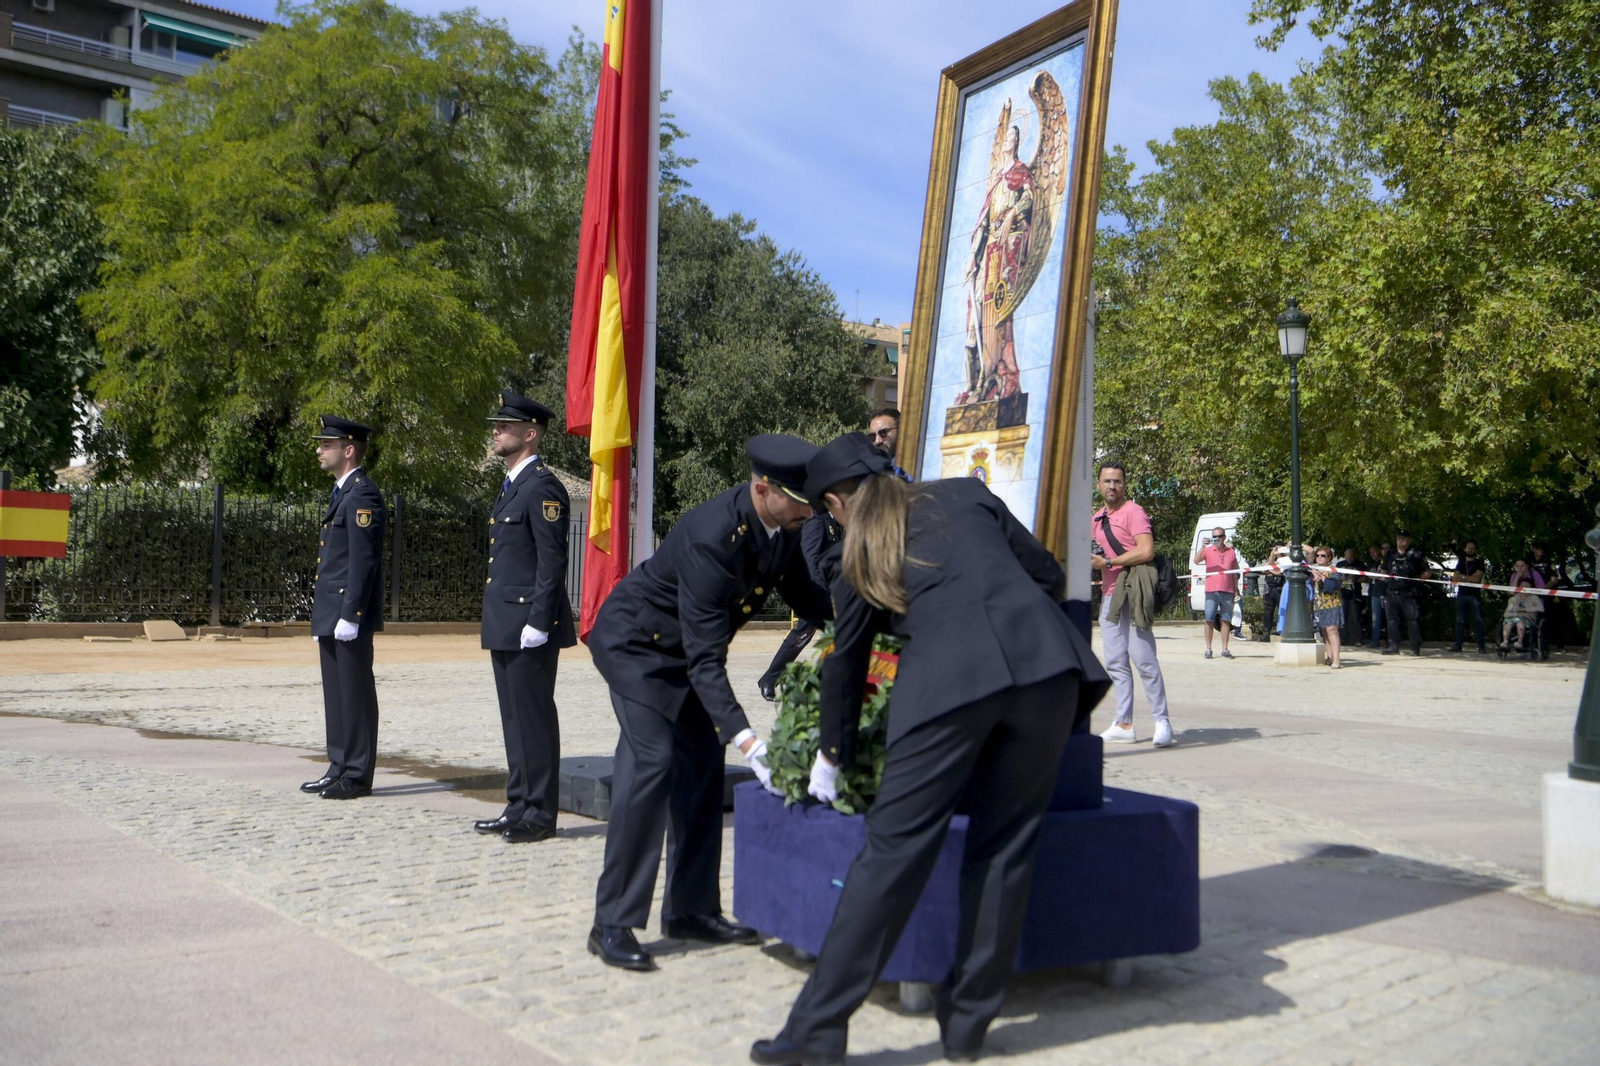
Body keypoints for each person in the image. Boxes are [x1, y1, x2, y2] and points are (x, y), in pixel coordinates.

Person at [750, 433, 1110, 1066]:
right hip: (1047, 673)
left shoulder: (861, 552)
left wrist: (831, 753)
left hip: (948, 689)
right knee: (1003, 850)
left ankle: (816, 1034)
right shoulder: (966, 494)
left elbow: (847, 664)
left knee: (890, 858)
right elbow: (1049, 575)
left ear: (836, 502)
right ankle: (968, 1026)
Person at [586, 435, 833, 972]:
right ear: (763, 489)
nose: (808, 511)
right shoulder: (712, 535)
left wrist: (869, 617)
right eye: (799, 500)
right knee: (651, 763)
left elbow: (809, 597)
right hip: (638, 649)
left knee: (700, 766)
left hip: (685, 654)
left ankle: (692, 911)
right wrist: (748, 740)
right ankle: (612, 922)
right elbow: (704, 661)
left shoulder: (781, 527)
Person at [474, 392, 574, 843]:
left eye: (505, 426)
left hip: (529, 624)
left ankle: (539, 813)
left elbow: (552, 563)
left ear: (530, 434)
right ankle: (518, 804)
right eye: (497, 425)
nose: (496, 432)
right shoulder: (513, 484)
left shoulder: (543, 487)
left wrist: (539, 620)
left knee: (533, 719)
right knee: (513, 719)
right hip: (505, 621)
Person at [302, 416, 386, 800]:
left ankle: (356, 773)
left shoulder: (362, 495)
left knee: (354, 694)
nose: (319, 450)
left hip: (346, 614)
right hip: (330, 610)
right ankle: (339, 765)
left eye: (326, 444)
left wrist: (351, 615)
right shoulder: (342, 493)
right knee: (336, 695)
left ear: (348, 450)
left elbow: (363, 562)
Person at [1091, 462, 1172, 747]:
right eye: (1107, 481)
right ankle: (1124, 723)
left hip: (1135, 592)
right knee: (1114, 660)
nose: (1112, 486)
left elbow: (1146, 549)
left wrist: (1109, 561)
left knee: (1143, 658)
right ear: (1098, 484)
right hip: (1111, 595)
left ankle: (1161, 721)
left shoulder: (1134, 512)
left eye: (1117, 481)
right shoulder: (1097, 518)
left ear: (1125, 485)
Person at [756, 512, 842, 701]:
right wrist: (821, 595)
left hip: (831, 593)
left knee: (835, 635)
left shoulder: (831, 522)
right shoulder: (816, 520)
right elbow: (811, 559)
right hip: (817, 595)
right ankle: (770, 680)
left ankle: (770, 680)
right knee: (804, 635)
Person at [1192, 525, 1238, 659]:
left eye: (1219, 536)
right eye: (1214, 536)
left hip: (1228, 590)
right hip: (1212, 590)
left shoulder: (1231, 552)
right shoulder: (1208, 550)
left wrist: (1236, 591)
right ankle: (1208, 648)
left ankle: (1225, 649)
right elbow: (1196, 561)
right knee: (1209, 619)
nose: (1217, 539)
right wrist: (1202, 547)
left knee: (1226, 620)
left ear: (1224, 537)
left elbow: (1234, 573)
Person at [1383, 530, 1430, 656]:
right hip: (1392, 592)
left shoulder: (1414, 555)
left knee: (1412, 620)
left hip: (1408, 593)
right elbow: (1383, 570)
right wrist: (1384, 577)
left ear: (1409, 540)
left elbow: (1426, 572)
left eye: (1404, 538)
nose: (1401, 539)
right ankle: (1393, 646)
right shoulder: (1390, 554)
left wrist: (1419, 580)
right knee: (1392, 620)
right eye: (1399, 537)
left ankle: (1415, 647)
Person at [1450, 539, 1487, 654]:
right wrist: (1465, 577)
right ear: (1465, 548)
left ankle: (1481, 646)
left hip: (1474, 595)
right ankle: (1458, 645)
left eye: (1472, 548)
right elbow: (1455, 577)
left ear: (1475, 550)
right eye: (1468, 548)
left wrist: (1462, 577)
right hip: (1462, 594)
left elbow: (1477, 579)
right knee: (1460, 620)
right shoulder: (1461, 561)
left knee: (1479, 620)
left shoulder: (1479, 562)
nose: (1470, 550)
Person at [1311, 547, 1345, 668]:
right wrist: (1313, 572)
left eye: (1323, 555)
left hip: (1332, 604)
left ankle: (1337, 659)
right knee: (1324, 632)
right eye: (1318, 555)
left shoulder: (1333, 570)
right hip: (1320, 605)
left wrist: (1322, 576)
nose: (1319, 557)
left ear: (1329, 558)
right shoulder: (1313, 568)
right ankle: (1330, 657)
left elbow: (1332, 586)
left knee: (1332, 631)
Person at [867, 407, 913, 483]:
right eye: (872, 436)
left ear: (901, 430)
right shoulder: (870, 474)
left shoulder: (916, 465)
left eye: (883, 432)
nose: (877, 441)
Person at [1499, 578, 1544, 654]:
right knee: (1507, 622)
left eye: (1526, 586)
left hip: (1529, 619)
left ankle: (1520, 642)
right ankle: (1505, 641)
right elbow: (1506, 614)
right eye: (1522, 586)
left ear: (1531, 588)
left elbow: (1541, 609)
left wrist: (1525, 609)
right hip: (1514, 617)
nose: (1524, 588)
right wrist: (1517, 614)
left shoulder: (1534, 598)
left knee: (1519, 621)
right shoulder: (1513, 599)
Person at [1258, 545, 1287, 642]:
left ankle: (1284, 633)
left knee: (1282, 611)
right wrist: (1272, 556)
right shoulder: (1271, 560)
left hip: (1280, 588)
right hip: (1269, 588)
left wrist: (1271, 570)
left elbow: (1281, 572)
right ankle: (1266, 634)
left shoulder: (1286, 560)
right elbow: (1265, 568)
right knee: (1268, 613)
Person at [1339, 547, 1365, 646]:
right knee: (1343, 617)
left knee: (1356, 617)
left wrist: (1356, 578)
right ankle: (1343, 639)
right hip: (1343, 594)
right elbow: (1336, 579)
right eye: (1347, 556)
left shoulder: (1360, 565)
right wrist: (1343, 578)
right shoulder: (1340, 565)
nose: (1349, 558)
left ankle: (1358, 639)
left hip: (1355, 594)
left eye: (1351, 556)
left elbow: (1366, 578)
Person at [1365, 544, 1389, 648]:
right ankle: (1375, 640)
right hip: (1375, 592)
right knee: (1375, 619)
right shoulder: (1372, 563)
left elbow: (1385, 577)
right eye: (1371, 552)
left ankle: (1390, 641)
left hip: (1387, 592)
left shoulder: (1388, 561)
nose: (1373, 554)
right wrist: (1378, 575)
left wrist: (1377, 575)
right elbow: (1369, 575)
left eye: (1375, 551)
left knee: (1389, 618)